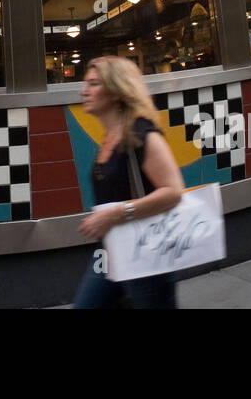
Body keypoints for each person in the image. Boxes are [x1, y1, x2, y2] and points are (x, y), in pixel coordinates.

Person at [73, 56, 185, 309]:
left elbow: (173, 191)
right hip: (110, 252)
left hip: (146, 254)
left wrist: (115, 215)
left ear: (115, 91)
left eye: (93, 84)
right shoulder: (111, 136)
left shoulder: (141, 133)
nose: (84, 91)